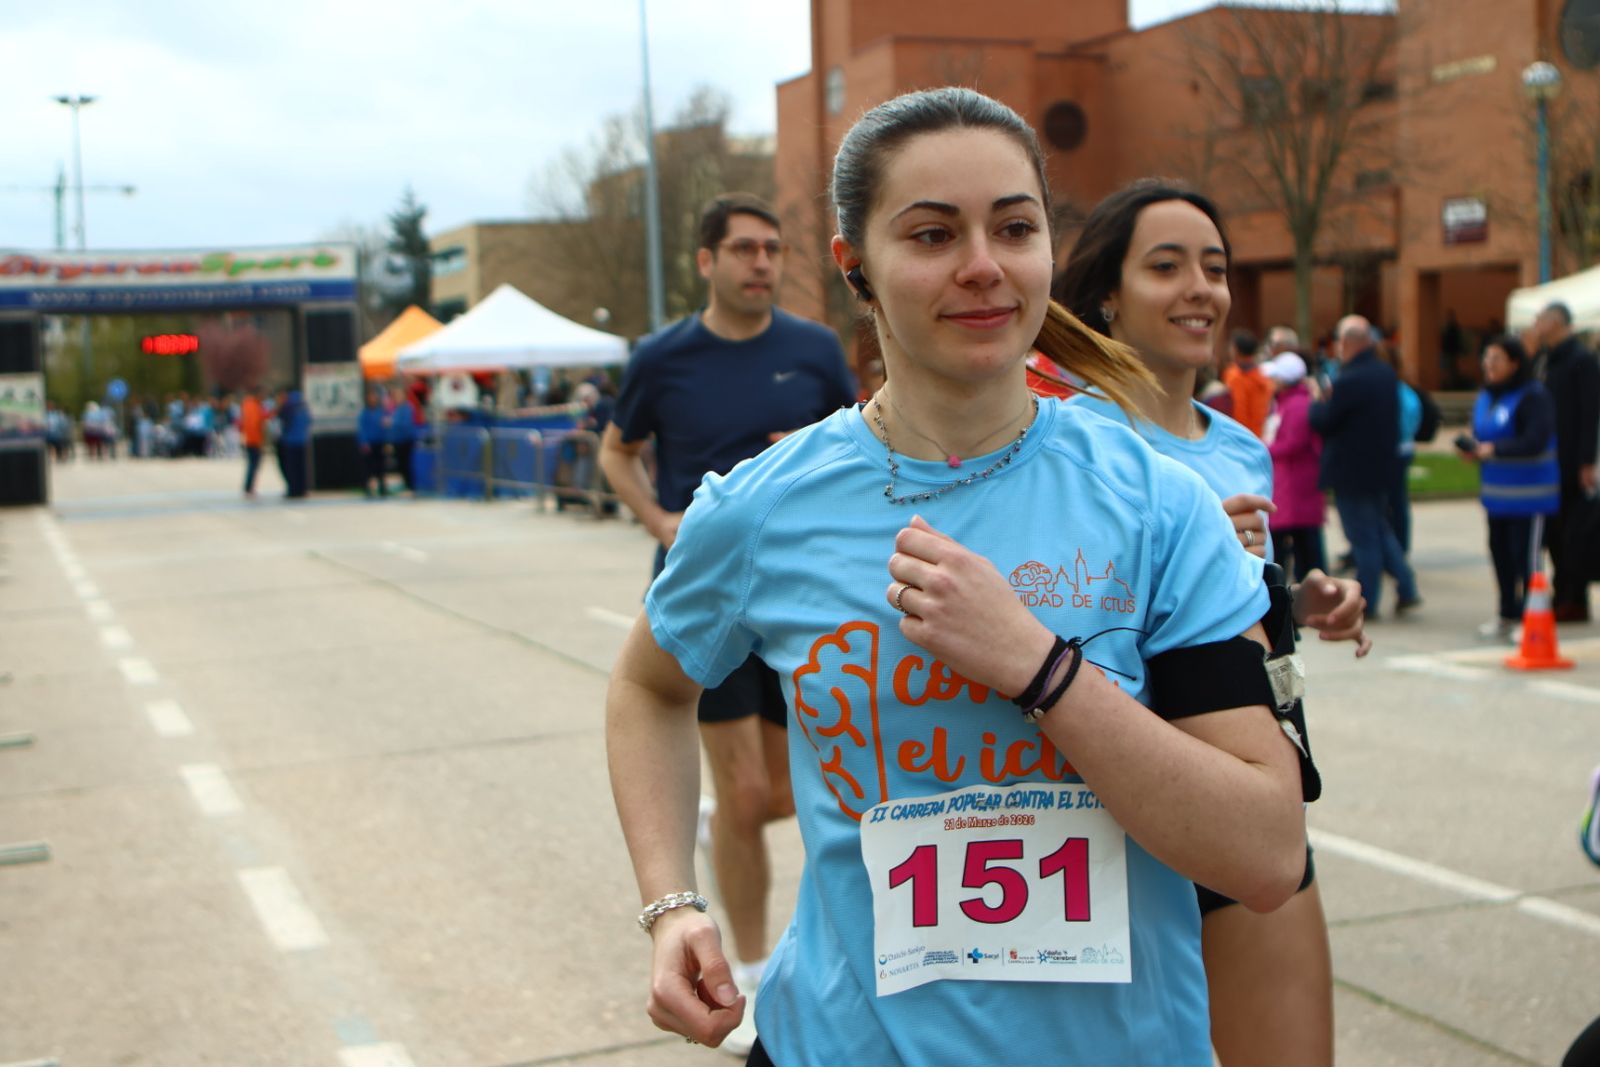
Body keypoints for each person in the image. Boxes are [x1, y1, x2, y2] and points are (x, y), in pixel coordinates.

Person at [607, 87, 1308, 1066]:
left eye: (1013, 228)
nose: (983, 267)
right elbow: (648, 683)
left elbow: (1267, 852)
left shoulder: (1158, 504)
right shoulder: (761, 508)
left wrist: (1041, 669)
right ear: (855, 264)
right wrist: (669, 901)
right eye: (932, 234)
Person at [1053, 178, 1365, 1067]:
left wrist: (1311, 598)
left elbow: (1247, 610)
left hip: (1249, 793)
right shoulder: (1064, 443)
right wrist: (1183, 550)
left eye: (1215, 268)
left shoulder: (1239, 443)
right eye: (1167, 266)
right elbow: (1049, 616)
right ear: (1109, 294)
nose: (1201, 287)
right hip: (1119, 813)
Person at [599, 191, 856, 1057]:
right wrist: (660, 522)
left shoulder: (815, 350)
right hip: (709, 600)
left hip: (810, 593)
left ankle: (727, 832)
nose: (761, 264)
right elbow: (614, 449)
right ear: (706, 260)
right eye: (744, 249)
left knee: (788, 793)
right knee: (747, 794)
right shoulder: (663, 356)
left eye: (774, 249)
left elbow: (862, 439)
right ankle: (748, 970)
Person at [1310, 315, 1422, 618]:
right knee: (1380, 531)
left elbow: (1324, 421)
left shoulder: (1349, 380)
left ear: (1347, 343)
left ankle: (1366, 600)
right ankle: (1406, 587)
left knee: (1364, 537)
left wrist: (1320, 402)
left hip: (1352, 470)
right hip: (1380, 467)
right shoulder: (1385, 374)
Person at [1455, 336, 1558, 641]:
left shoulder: (1533, 396)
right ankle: (1506, 614)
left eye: (1496, 359)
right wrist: (1474, 450)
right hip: (1497, 497)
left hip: (1530, 498)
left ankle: (1533, 618)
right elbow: (1484, 435)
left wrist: (1493, 449)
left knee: (1526, 560)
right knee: (1500, 555)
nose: (1489, 364)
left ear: (1514, 363)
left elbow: (1535, 440)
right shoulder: (1487, 397)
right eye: (1486, 358)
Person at [1531, 301, 1600, 623]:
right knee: (1555, 534)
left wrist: (1586, 461)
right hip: (1546, 461)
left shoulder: (1581, 360)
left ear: (1557, 322)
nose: (1536, 324)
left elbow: (1590, 413)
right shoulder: (1545, 359)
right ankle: (1564, 595)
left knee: (1574, 532)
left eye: (1541, 319)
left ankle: (1574, 598)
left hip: (1571, 460)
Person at [1265, 352, 1328, 582]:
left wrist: (1264, 449)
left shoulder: (1297, 405)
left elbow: (1293, 443)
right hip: (1291, 483)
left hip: (1296, 484)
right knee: (1303, 541)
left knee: (1304, 544)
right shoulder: (1289, 403)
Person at [1222, 329, 1272, 439]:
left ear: (1236, 350)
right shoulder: (1261, 375)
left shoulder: (1236, 377)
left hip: (1241, 436)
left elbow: (1238, 411)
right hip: (1259, 434)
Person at [275, 386, 311, 499]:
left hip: (290, 441)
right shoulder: (303, 405)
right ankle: (302, 489)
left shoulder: (288, 406)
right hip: (302, 440)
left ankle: (293, 490)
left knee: (291, 468)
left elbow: (282, 421)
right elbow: (309, 421)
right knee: (301, 467)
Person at [388, 384, 422, 494]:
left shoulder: (407, 408)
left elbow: (405, 424)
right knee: (400, 464)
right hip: (397, 440)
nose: (397, 397)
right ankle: (406, 485)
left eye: (399, 395)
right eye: (396, 395)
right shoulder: (395, 409)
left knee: (406, 463)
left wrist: (392, 422)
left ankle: (411, 486)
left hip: (406, 440)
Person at [357, 388, 389, 498]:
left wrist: (386, 441)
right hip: (369, 443)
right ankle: (367, 488)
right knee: (368, 468)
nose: (373, 399)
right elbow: (362, 429)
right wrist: (364, 442)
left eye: (374, 397)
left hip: (379, 442)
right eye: (371, 397)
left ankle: (382, 488)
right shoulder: (364, 413)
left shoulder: (381, 412)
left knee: (380, 467)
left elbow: (384, 427)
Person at [239, 386, 267, 497]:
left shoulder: (249, 405)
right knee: (253, 464)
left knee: (252, 464)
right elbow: (254, 424)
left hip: (250, 439)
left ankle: (248, 486)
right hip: (254, 440)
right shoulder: (253, 406)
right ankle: (249, 487)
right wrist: (259, 442)